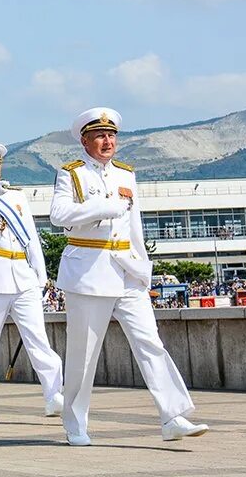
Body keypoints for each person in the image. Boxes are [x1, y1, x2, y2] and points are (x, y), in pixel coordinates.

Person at [50, 107, 208, 445]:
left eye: (111, 136)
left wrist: (143, 267)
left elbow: (134, 225)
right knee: (84, 353)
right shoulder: (72, 174)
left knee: (149, 342)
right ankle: (75, 423)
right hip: (88, 272)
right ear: (85, 140)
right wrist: (102, 208)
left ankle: (172, 416)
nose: (107, 141)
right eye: (99, 136)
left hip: (126, 270)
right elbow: (59, 215)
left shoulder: (125, 174)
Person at [0, 142, 64, 423]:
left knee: (38, 339)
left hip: (22, 275)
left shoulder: (17, 198)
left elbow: (31, 239)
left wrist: (41, 278)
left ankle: (54, 394)